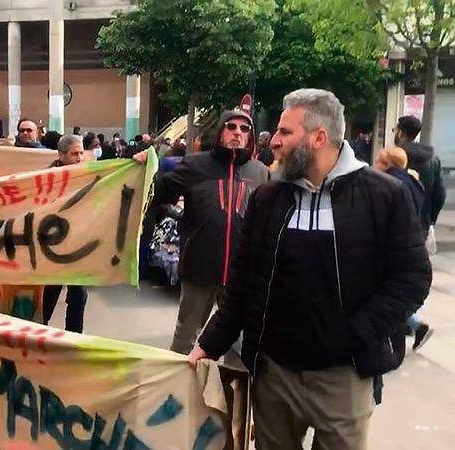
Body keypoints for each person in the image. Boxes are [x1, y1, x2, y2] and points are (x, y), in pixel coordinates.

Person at [187, 89, 431, 449]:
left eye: (285, 132)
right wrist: (208, 345)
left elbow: (412, 278)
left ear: (318, 137)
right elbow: (242, 283)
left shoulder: (383, 196)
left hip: (344, 377)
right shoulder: (267, 198)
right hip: (273, 375)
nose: (274, 141)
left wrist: (356, 334)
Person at [134, 107, 268, 353]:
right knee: (185, 339)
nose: (238, 133)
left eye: (244, 128)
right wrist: (145, 166)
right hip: (200, 268)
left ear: (250, 135)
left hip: (240, 273)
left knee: (239, 345)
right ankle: (177, 380)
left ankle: (232, 381)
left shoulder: (259, 171)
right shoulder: (196, 165)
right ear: (220, 131)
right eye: (231, 127)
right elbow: (156, 192)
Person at [374, 147, 435, 351]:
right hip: (412, 239)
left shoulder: (390, 184)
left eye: (378, 161)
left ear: (387, 164)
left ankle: (416, 326)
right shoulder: (413, 182)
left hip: (394, 245)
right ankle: (413, 326)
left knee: (387, 292)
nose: (374, 165)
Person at [42, 135, 87, 332]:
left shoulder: (88, 174)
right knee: (50, 291)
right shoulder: (47, 178)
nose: (79, 158)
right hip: (52, 246)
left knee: (79, 294)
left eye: (81, 153)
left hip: (78, 245)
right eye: (74, 154)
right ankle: (39, 329)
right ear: (61, 155)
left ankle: (74, 337)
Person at [394, 115, 446, 239]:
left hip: (395, 226)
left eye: (394, 130)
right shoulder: (433, 159)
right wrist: (430, 220)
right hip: (422, 226)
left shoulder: (392, 157)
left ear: (400, 133)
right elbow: (440, 195)